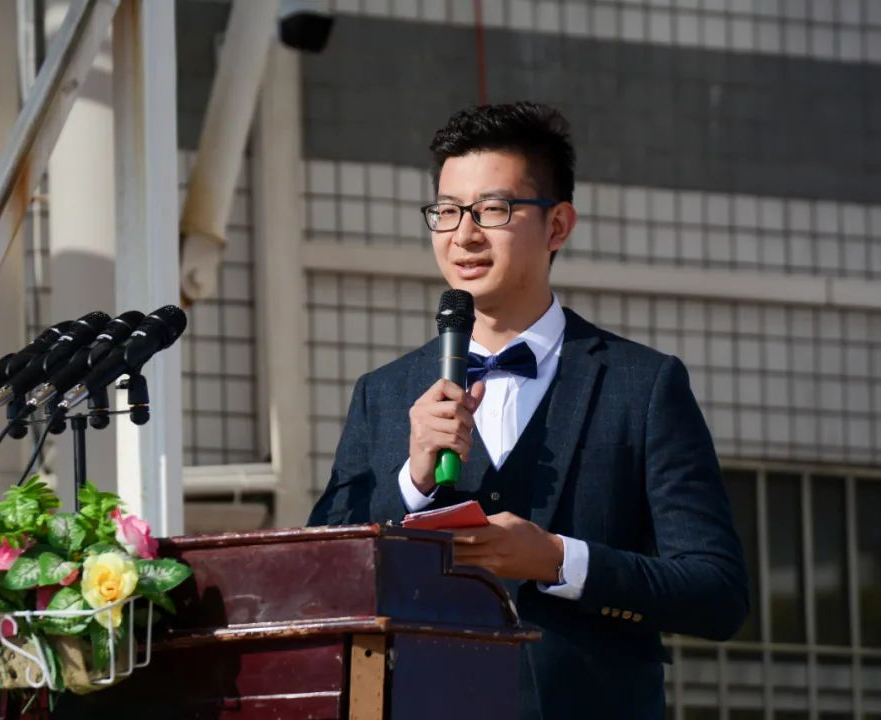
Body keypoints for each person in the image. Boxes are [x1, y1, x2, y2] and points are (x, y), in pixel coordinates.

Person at [307, 102, 749, 719]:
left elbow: (717, 593)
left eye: (493, 209)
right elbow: (321, 577)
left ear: (558, 225)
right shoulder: (382, 393)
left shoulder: (643, 385)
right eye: (447, 211)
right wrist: (410, 483)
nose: (464, 235)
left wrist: (560, 560)